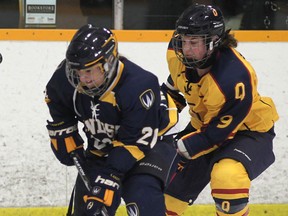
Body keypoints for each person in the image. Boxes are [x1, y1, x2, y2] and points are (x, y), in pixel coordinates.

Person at [44, 24, 178, 216]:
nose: (83, 79)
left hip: (152, 145)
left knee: (142, 200)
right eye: (78, 72)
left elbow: (134, 142)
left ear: (109, 63)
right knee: (90, 210)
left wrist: (110, 176)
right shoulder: (65, 79)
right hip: (102, 147)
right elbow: (56, 99)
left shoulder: (139, 85)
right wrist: (63, 130)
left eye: (89, 71)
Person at [161, 4, 279, 216]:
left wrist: (175, 146)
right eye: (183, 40)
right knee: (163, 199)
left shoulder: (234, 78)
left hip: (247, 131)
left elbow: (216, 135)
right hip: (205, 128)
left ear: (214, 42)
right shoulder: (177, 54)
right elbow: (175, 87)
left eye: (194, 42)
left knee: (227, 176)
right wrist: (159, 116)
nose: (186, 49)